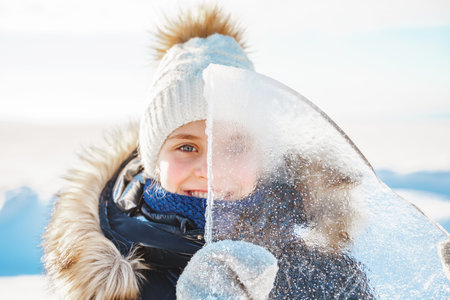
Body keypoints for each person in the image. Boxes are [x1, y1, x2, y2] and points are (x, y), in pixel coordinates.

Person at [43, 6, 373, 299]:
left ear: (262, 156)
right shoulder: (107, 270)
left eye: (234, 147)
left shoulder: (323, 272)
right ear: (153, 159)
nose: (210, 169)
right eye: (187, 147)